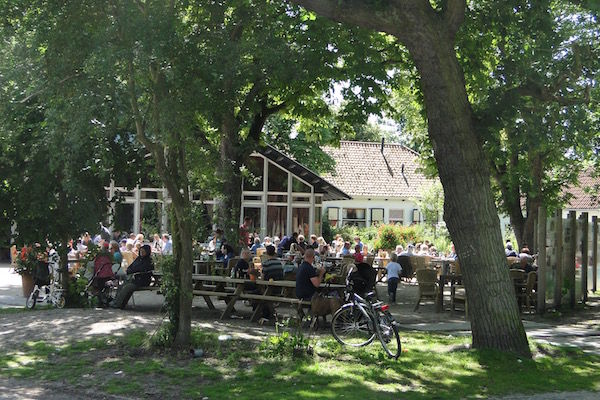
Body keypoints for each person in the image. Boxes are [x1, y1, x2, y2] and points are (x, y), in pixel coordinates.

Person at [111, 244, 154, 309]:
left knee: (127, 288)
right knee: (121, 286)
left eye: (143, 251)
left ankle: (118, 304)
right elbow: (131, 267)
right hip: (133, 279)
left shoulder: (148, 261)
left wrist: (133, 270)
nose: (141, 253)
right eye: (141, 251)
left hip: (141, 281)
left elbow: (142, 269)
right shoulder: (138, 259)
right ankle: (115, 301)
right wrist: (130, 270)